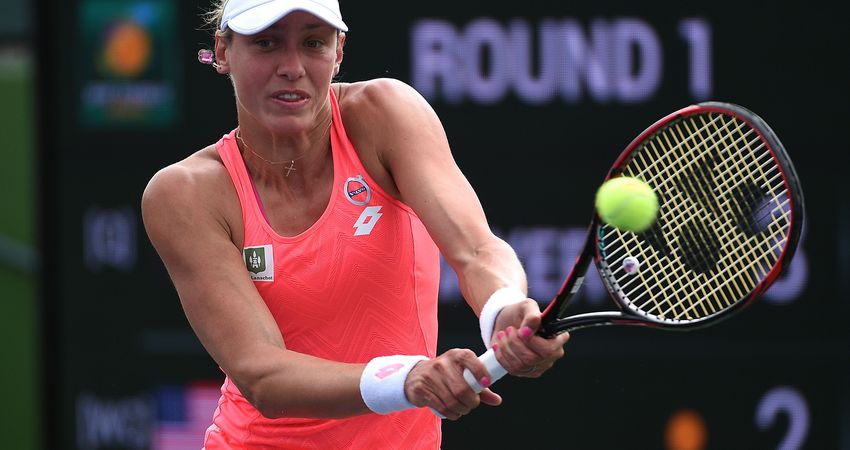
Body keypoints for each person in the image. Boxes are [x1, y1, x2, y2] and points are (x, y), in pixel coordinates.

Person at [141, 0, 571, 447]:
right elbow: (262, 374)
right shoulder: (185, 194)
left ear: (339, 51)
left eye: (313, 43)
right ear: (223, 51)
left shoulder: (385, 114)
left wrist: (503, 308)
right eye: (266, 43)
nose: (291, 66)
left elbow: (477, 250)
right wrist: (409, 378)